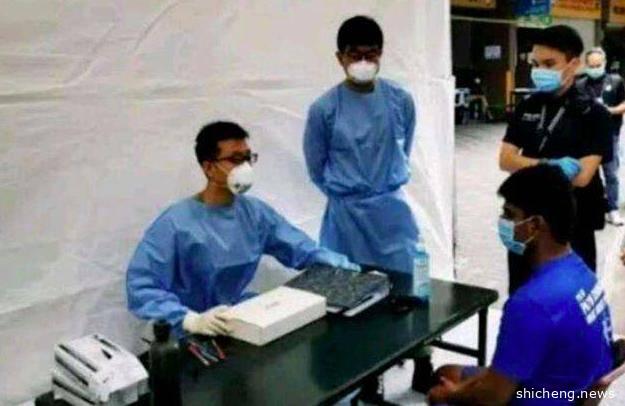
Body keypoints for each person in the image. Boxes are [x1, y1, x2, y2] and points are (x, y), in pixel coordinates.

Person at [126, 121, 358, 338]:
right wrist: (189, 319)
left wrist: (334, 262)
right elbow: (141, 285)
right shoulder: (176, 223)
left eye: (248, 158)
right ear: (209, 167)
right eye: (235, 159)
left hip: (241, 318)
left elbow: (299, 248)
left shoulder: (254, 213)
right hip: (191, 332)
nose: (244, 167)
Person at [303, 16, 431, 402]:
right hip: (346, 215)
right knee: (348, 295)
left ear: (381, 54)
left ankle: (421, 356)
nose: (363, 62)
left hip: (390, 211)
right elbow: (316, 167)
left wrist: (380, 184)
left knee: (410, 286)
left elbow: (403, 147)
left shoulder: (399, 100)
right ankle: (366, 374)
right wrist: (350, 192)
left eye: (371, 54)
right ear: (339, 58)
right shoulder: (324, 109)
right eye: (355, 55)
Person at [428, 165, 614, 406]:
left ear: (534, 225)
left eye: (509, 214)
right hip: (571, 390)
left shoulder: (530, 304)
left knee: (441, 387)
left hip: (539, 397)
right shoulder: (583, 273)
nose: (503, 222)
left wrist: (450, 395)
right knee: (447, 373)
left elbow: (493, 396)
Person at [498, 25, 612, 294]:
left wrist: (526, 164)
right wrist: (548, 165)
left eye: (549, 64)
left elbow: (582, 176)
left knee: (572, 296)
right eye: (536, 64)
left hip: (572, 224)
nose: (540, 71)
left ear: (574, 64)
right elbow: (505, 159)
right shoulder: (527, 106)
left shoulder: (593, 113)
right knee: (522, 292)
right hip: (526, 222)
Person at [578, 47, 625, 226]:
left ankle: (612, 209)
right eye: (591, 66)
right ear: (586, 65)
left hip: (609, 135)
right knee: (588, 174)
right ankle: (591, 209)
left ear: (604, 63)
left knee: (611, 173)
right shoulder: (579, 85)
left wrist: (609, 111)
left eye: (598, 65)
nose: (595, 69)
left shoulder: (616, 81)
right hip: (586, 137)